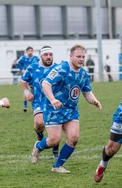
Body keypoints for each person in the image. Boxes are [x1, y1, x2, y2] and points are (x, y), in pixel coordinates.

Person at [30, 44, 102, 173]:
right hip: (54, 109)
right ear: (71, 56)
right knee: (54, 140)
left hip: (71, 110)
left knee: (73, 139)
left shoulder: (83, 74)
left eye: (83, 57)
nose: (81, 59)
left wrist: (94, 101)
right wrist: (52, 99)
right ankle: (38, 146)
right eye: (78, 56)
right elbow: (46, 84)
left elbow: (87, 92)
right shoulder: (61, 69)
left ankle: (57, 166)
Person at [20, 46, 59, 160]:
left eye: (50, 54)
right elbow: (23, 80)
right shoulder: (32, 67)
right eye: (46, 55)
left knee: (54, 127)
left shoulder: (57, 68)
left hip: (54, 102)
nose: (48, 57)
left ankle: (55, 149)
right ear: (41, 56)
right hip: (38, 101)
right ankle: (40, 136)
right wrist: (27, 92)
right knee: (39, 123)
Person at [16, 46, 40, 112]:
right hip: (26, 76)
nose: (30, 52)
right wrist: (22, 69)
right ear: (26, 52)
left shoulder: (36, 58)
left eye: (31, 51)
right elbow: (17, 63)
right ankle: (25, 106)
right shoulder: (23, 58)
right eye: (29, 51)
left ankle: (35, 106)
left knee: (34, 90)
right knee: (26, 90)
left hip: (33, 76)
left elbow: (39, 65)